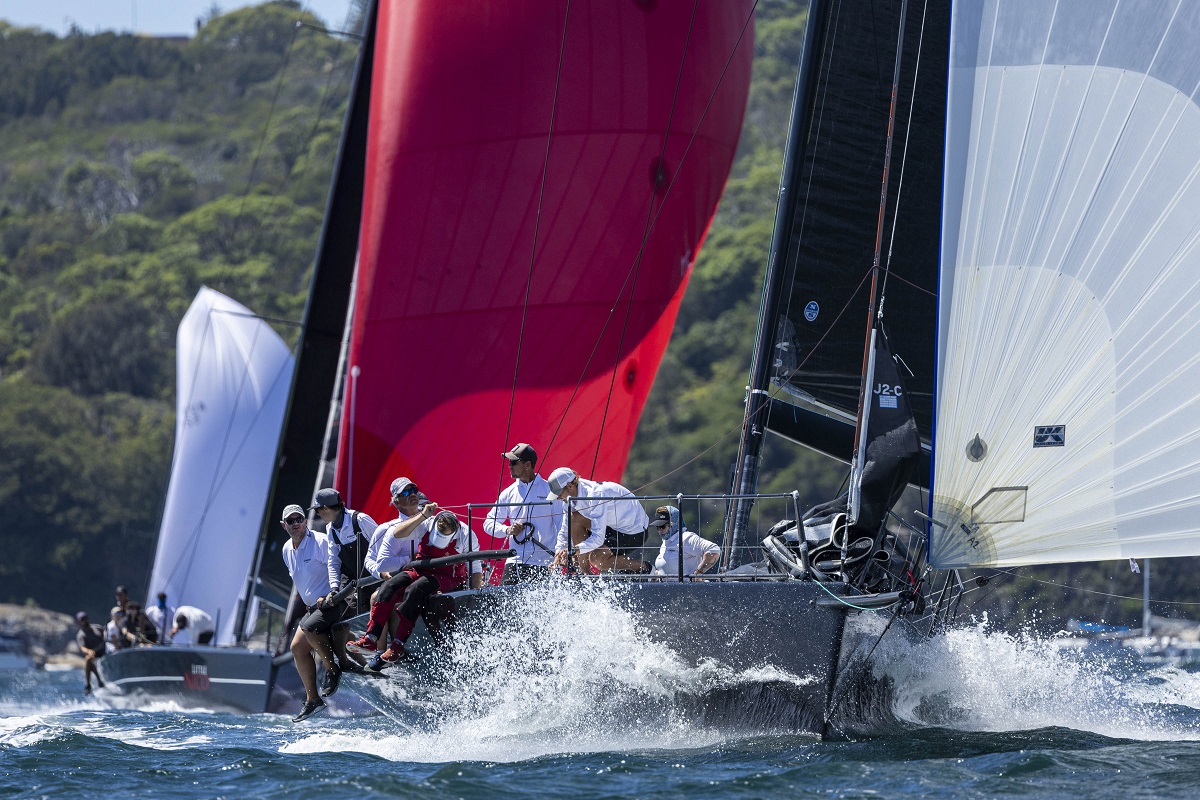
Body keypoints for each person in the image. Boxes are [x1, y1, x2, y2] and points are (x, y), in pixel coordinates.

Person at [349, 507, 484, 669]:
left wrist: (475, 595)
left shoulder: (467, 535)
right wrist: (422, 515)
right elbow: (397, 534)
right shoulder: (427, 523)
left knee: (414, 590)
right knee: (389, 587)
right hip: (421, 570)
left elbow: (476, 568)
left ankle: (398, 645)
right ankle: (371, 637)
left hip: (448, 577)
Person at [279, 502, 345, 722]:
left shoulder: (320, 541)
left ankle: (331, 669)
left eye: (300, 519)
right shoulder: (286, 549)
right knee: (296, 648)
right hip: (313, 607)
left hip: (332, 602)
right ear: (284, 525)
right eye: (291, 521)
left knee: (309, 628)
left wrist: (331, 595)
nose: (296, 524)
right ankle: (313, 699)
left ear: (305, 521)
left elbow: (339, 567)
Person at [547, 468, 651, 574]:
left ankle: (644, 567)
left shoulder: (595, 494)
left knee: (597, 559)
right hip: (611, 526)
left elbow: (598, 538)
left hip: (634, 531)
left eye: (559, 494)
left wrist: (573, 550)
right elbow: (565, 530)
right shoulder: (568, 499)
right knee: (575, 518)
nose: (558, 498)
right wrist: (558, 554)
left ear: (570, 486)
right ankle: (584, 573)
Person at [483, 443, 560, 584]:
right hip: (515, 560)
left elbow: (562, 525)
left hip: (544, 562)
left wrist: (561, 553)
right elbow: (488, 523)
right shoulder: (508, 493)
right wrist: (506, 529)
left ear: (527, 465)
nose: (509, 466)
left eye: (513, 462)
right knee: (505, 604)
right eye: (509, 462)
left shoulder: (550, 491)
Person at [311, 487, 378, 597]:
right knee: (345, 610)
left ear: (326, 508)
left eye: (317, 510)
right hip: (357, 585)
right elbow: (333, 560)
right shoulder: (330, 529)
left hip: (378, 578)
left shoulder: (360, 519)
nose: (318, 514)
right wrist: (334, 588)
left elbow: (383, 546)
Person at [650, 506, 720, 577]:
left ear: (673, 524)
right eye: (657, 527)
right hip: (667, 587)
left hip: (687, 587)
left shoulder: (686, 538)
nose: (659, 530)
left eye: (662, 526)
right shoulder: (665, 543)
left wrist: (698, 573)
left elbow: (714, 550)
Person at [75, 611, 106, 695]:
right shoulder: (81, 635)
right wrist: (89, 651)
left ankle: (97, 681)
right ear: (79, 622)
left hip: (105, 651)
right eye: (82, 619)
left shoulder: (97, 627)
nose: (85, 620)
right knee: (88, 659)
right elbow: (82, 647)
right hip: (94, 655)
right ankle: (89, 684)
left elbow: (105, 632)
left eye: (85, 618)